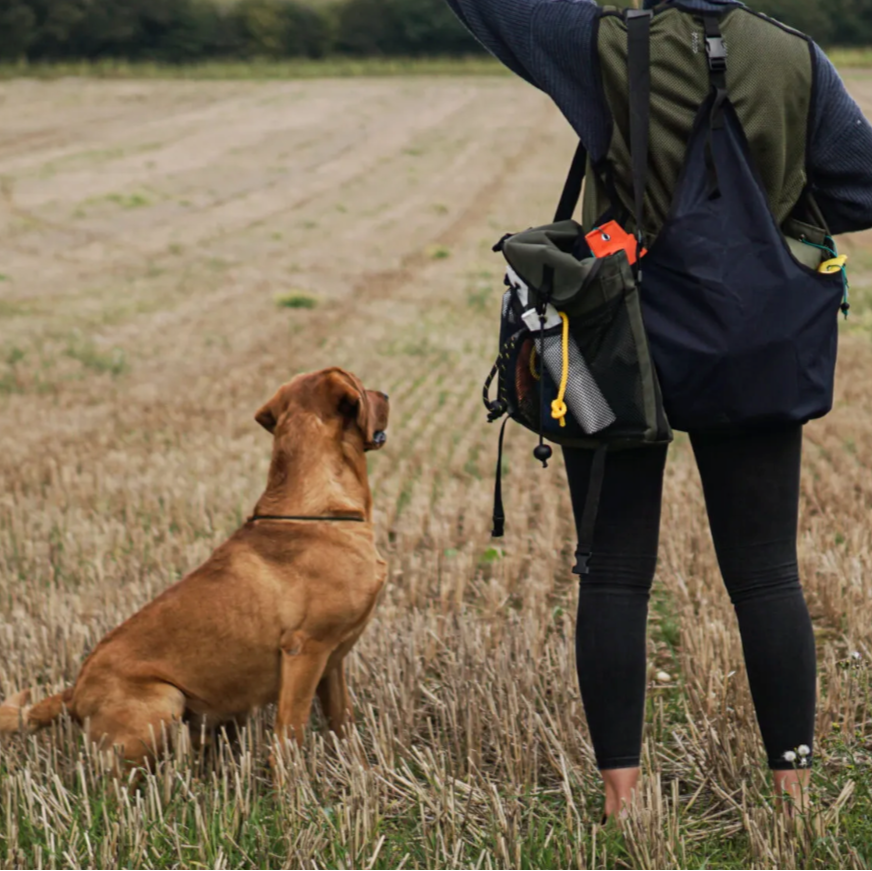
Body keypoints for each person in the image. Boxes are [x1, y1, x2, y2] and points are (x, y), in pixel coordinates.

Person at [445, 0, 872, 820]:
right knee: (767, 571)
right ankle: (792, 796)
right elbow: (860, 184)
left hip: (619, 342)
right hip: (758, 341)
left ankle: (622, 800)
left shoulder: (602, 41)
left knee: (613, 574)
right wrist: (768, 219)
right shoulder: (794, 56)